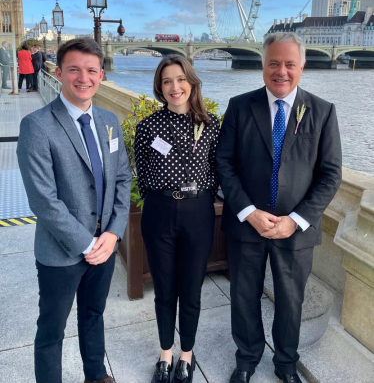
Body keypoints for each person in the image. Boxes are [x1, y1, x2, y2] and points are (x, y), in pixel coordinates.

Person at [216, 32, 342, 383]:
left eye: (289, 64)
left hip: (295, 230)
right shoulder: (240, 106)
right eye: (274, 63)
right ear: (262, 66)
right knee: (243, 297)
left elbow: (331, 175)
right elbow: (224, 163)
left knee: (291, 302)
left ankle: (286, 364)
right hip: (246, 225)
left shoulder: (322, 111)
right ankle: (247, 358)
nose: (281, 71)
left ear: (302, 66)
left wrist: (296, 220)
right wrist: (248, 212)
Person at [17, 37, 132, 383]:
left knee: (93, 314)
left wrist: (112, 234)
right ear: (59, 72)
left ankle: (96, 376)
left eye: (92, 70)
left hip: (106, 244)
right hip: (61, 250)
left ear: (101, 75)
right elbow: (43, 201)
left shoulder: (109, 120)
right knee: (52, 328)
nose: (84, 78)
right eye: (74, 70)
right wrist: (87, 243)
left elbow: (123, 178)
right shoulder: (37, 126)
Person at [135, 54, 220, 383]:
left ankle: (187, 355)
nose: (175, 87)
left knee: (192, 289)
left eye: (181, 79)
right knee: (165, 289)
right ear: (159, 86)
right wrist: (161, 197)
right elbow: (142, 173)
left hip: (197, 213)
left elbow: (217, 172)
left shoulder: (210, 125)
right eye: (167, 81)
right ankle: (165, 354)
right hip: (159, 211)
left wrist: (197, 201)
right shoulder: (148, 128)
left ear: (192, 82)